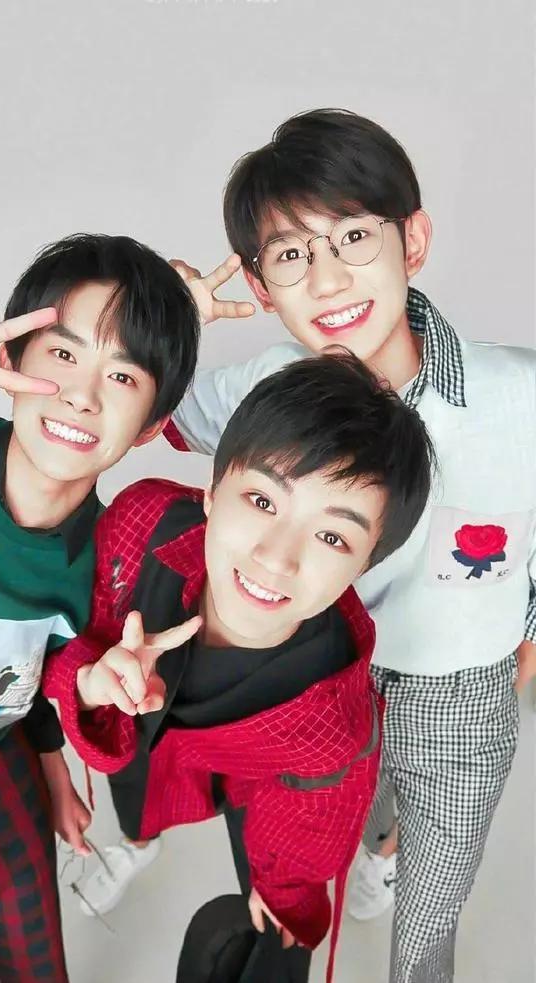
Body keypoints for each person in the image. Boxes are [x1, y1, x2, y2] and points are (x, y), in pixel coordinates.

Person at [163, 109, 536, 982]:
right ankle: (372, 844)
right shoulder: (264, 388)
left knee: (430, 913)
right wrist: (174, 322)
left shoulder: (517, 393)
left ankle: (394, 854)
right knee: (299, 868)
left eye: (355, 237)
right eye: (292, 254)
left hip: (456, 691)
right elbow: (152, 410)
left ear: (414, 241)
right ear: (262, 286)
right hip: (311, 680)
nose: (328, 279)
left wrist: (524, 640)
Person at [44, 353, 435, 983]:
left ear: (364, 565)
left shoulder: (331, 721)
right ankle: (137, 845)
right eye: (260, 499)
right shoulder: (141, 524)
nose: (275, 558)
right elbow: (58, 639)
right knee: (137, 796)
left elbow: (308, 828)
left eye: (332, 537)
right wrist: (91, 681)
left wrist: (282, 895)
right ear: (211, 490)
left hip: (261, 769)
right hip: (144, 736)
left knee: (262, 884)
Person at [0, 233, 200, 982]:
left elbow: (39, 663)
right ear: (10, 358)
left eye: (122, 376)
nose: (82, 395)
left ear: (152, 424)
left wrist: (55, 759)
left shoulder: (111, 554)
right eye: (63, 354)